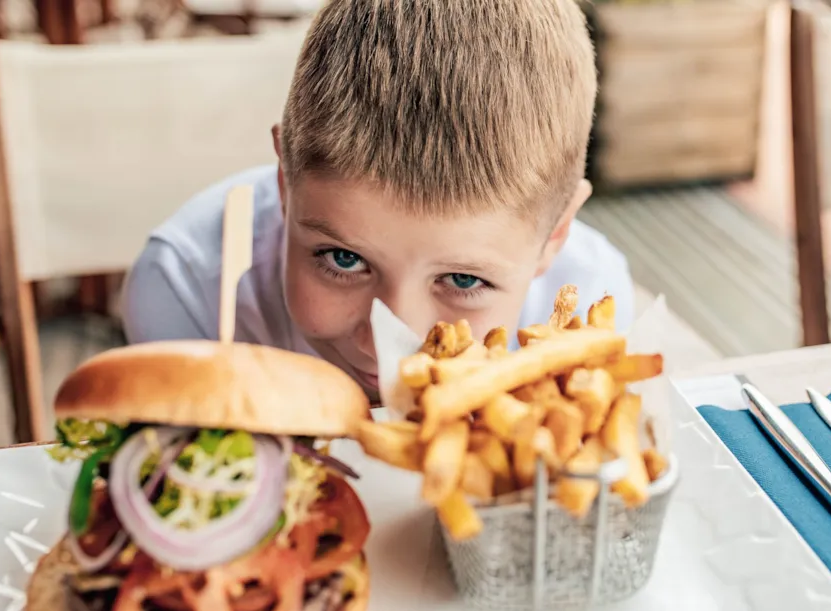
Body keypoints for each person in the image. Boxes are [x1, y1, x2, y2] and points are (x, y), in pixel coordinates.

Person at [121, 0, 635, 401]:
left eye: (463, 280)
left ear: (557, 233)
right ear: (285, 184)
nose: (391, 346)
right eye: (344, 259)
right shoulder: (185, 291)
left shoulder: (590, 313)